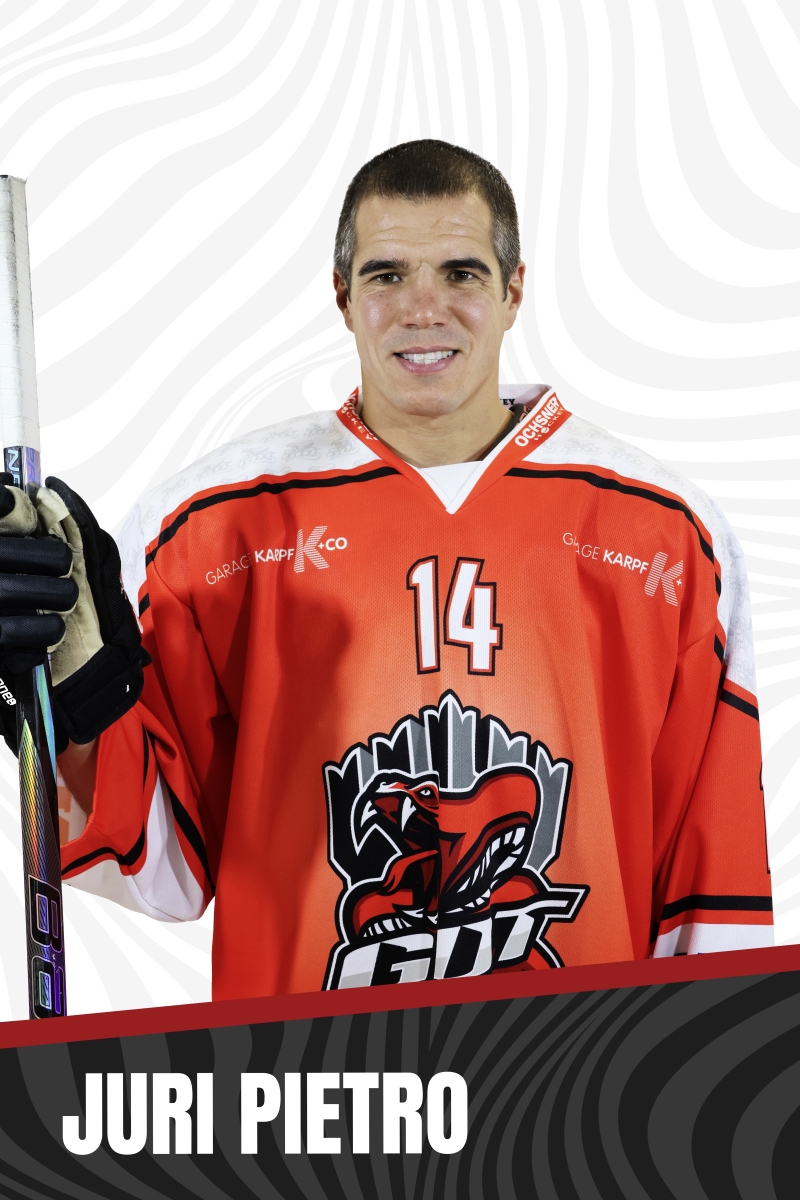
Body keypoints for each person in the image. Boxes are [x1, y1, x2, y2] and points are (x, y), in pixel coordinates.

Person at [0, 140, 772, 1000]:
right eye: (387, 275)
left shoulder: (667, 532)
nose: (422, 310)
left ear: (514, 291)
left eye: (461, 273)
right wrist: (68, 706)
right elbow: (161, 868)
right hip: (310, 1073)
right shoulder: (211, 527)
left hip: (574, 1071)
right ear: (343, 295)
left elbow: (713, 890)